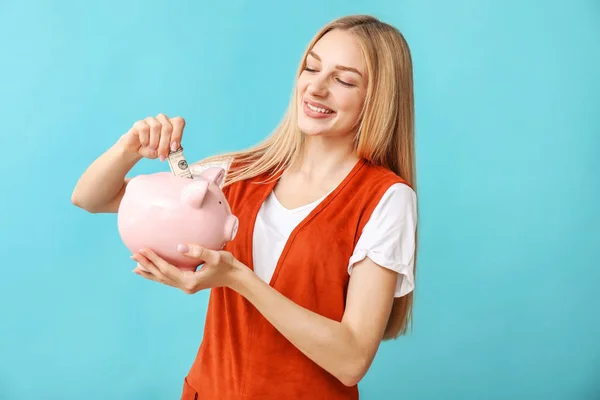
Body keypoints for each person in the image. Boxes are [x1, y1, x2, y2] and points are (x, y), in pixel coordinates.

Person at [71, 14, 418, 400]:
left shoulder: (386, 198)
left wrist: (238, 278)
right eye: (311, 67)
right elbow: (92, 198)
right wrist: (128, 148)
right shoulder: (237, 173)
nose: (316, 88)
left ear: (379, 97)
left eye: (344, 80)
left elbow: (352, 359)